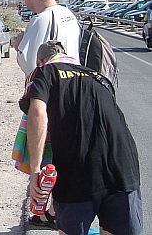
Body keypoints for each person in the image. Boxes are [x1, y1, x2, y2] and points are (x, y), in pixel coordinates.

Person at [20, 41, 142, 235]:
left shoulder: (45, 72)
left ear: (42, 61)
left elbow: (37, 113)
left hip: (77, 166)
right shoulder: (98, 77)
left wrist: (35, 171)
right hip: (123, 164)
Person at [11, 0, 81, 228]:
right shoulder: (68, 15)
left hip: (48, 96)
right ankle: (54, 208)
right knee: (64, 155)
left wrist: (19, 44)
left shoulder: (41, 19)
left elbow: (31, 64)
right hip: (72, 92)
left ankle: (44, 210)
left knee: (46, 158)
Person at [13, 0, 80, 77]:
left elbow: (31, 66)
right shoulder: (68, 14)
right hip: (72, 82)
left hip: (52, 88)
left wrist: (19, 46)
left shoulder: (41, 19)